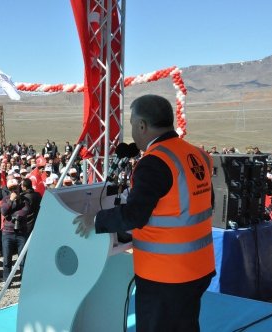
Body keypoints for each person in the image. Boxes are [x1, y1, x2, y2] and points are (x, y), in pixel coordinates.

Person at [75, 94, 215, 332]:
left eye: (131, 124)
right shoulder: (197, 155)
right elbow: (204, 203)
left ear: (142, 125)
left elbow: (135, 216)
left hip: (166, 274)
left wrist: (95, 219)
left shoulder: (155, 162)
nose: (132, 131)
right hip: (199, 268)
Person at [0, 178, 30, 281]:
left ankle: (24, 279)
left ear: (19, 187)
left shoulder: (25, 200)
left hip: (21, 233)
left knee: (23, 258)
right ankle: (7, 280)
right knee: (7, 258)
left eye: (15, 188)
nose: (14, 191)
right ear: (8, 189)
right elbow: (3, 211)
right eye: (11, 189)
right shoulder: (5, 200)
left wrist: (11, 215)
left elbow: (24, 212)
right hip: (7, 233)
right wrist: (11, 200)